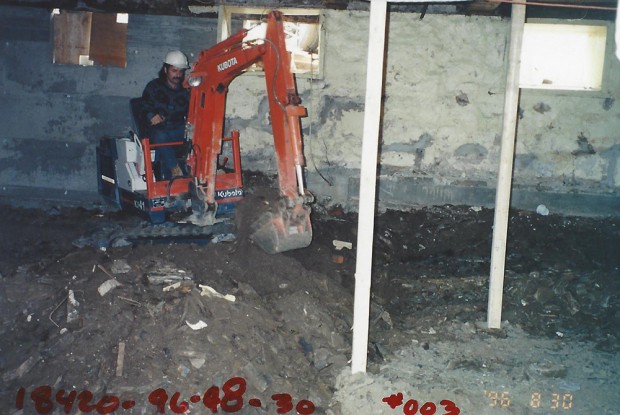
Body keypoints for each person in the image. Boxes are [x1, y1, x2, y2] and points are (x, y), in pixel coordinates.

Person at [141, 50, 190, 179]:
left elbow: (192, 112)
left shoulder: (186, 91)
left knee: (195, 135)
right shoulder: (153, 87)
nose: (177, 75)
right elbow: (144, 107)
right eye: (174, 71)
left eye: (180, 71)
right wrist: (151, 117)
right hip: (158, 131)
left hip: (178, 130)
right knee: (160, 135)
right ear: (165, 70)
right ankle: (174, 168)